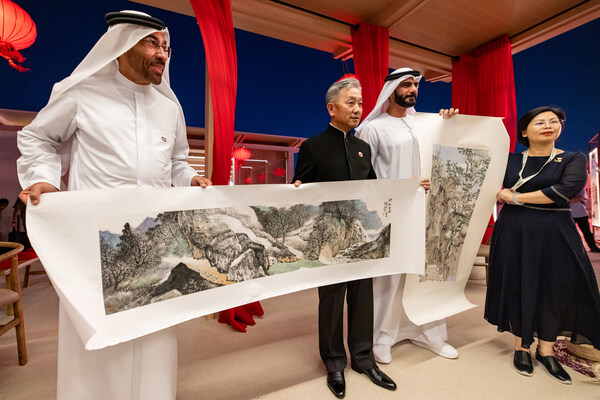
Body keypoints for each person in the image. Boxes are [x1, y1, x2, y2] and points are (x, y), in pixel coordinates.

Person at [16, 10, 210, 400]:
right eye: (152, 43)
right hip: (98, 240)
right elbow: (39, 138)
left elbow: (177, 160)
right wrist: (43, 177)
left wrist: (191, 178)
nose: (163, 53)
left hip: (153, 240)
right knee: (100, 333)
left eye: (166, 46)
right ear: (122, 45)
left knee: (154, 328)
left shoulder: (169, 108)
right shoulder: (81, 93)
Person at [293, 78, 396, 399]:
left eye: (360, 103)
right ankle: (334, 363)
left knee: (363, 299)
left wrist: (411, 188)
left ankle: (364, 359)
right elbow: (300, 191)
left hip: (361, 237)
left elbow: (375, 190)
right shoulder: (312, 147)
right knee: (332, 301)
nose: (357, 109)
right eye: (351, 102)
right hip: (330, 239)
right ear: (331, 107)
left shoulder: (363, 148)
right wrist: (296, 189)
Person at [485, 106, 600, 384]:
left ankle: (546, 350)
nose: (549, 125)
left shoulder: (571, 158)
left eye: (554, 121)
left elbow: (563, 191)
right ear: (524, 131)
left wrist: (515, 197)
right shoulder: (510, 161)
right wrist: (450, 121)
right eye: (540, 122)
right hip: (514, 231)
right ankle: (521, 347)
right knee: (517, 284)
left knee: (555, 287)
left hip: (555, 231)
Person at [354, 67, 459, 364]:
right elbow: (364, 177)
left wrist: (450, 123)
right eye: (406, 84)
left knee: (425, 274)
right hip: (392, 213)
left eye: (416, 85)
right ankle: (382, 337)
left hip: (430, 212)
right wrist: (402, 187)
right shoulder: (373, 129)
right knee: (389, 277)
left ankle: (430, 334)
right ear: (391, 91)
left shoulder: (426, 125)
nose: (413, 89)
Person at [570, 188, 600, 252]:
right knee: (570, 232)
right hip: (570, 214)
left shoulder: (580, 189)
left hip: (581, 213)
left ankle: (593, 247)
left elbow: (580, 198)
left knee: (586, 232)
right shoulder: (567, 189)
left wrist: (571, 199)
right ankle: (572, 248)